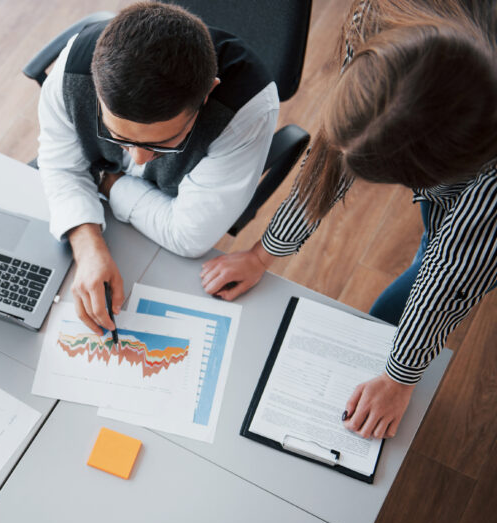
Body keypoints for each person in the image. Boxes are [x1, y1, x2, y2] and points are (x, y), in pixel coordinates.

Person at [200, 0, 497, 439]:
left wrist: (399, 377)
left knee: (412, 292)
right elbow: (339, 144)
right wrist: (264, 253)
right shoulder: (377, 19)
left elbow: (455, 265)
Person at [38, 1, 279, 333]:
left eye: (163, 142)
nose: (138, 159)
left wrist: (107, 182)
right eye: (118, 136)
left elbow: (187, 235)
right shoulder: (73, 71)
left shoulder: (247, 113)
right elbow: (58, 166)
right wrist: (87, 244)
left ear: (208, 93)